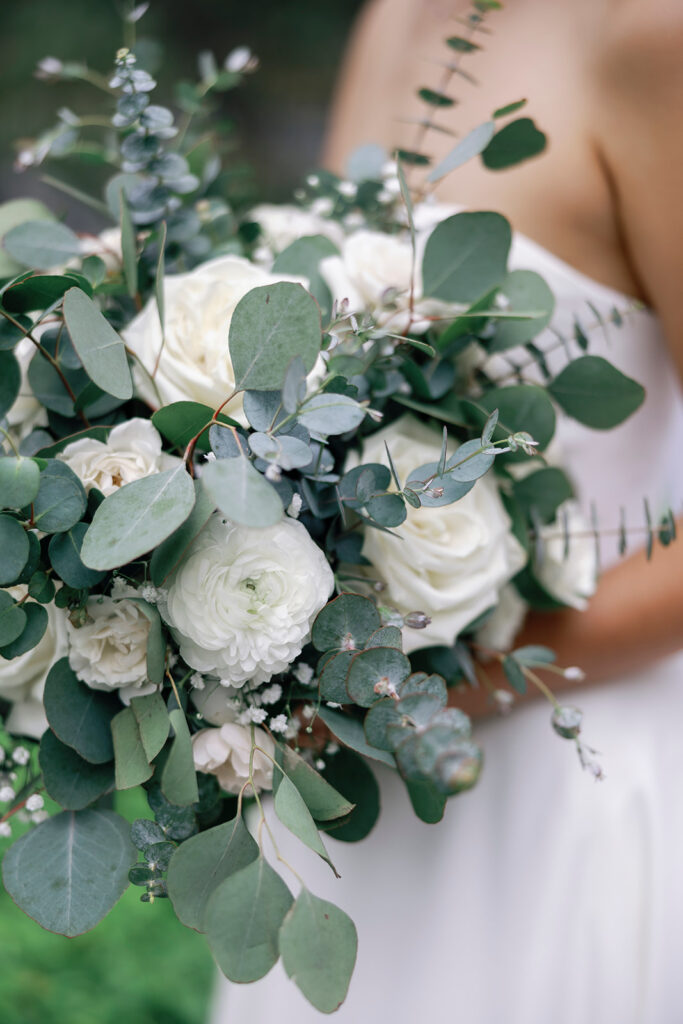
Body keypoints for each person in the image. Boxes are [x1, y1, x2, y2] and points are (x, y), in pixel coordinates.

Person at [212, 2, 683, 1020]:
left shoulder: (649, 34)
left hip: (558, 774)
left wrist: (430, 692)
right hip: (354, 797)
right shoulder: (396, 14)